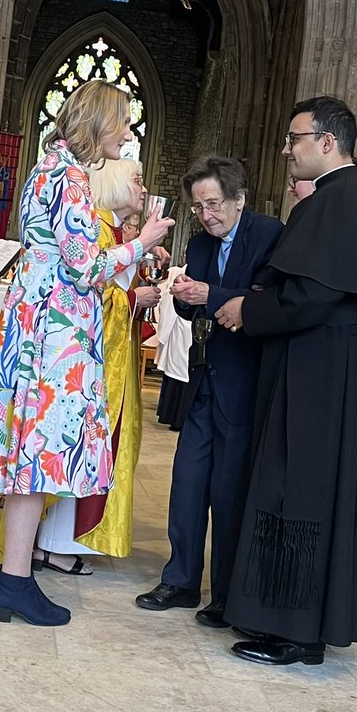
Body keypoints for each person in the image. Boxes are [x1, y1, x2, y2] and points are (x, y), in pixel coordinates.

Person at [0, 81, 173, 627]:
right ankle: (13, 582)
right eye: (123, 122)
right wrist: (142, 241)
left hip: (38, 322)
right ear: (97, 122)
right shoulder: (70, 179)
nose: (127, 134)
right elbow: (84, 266)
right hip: (54, 336)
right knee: (37, 452)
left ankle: (16, 578)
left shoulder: (45, 169)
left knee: (30, 452)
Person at [214, 97, 357, 665]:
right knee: (289, 485)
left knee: (302, 491)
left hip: (317, 372)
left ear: (327, 141)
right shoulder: (339, 199)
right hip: (315, 364)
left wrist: (249, 310)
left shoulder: (342, 201)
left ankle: (298, 633)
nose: (288, 150)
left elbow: (311, 296)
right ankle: (280, 618)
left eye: (295, 139)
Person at [136, 155, 282, 629]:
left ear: (239, 200)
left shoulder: (268, 236)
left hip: (244, 383)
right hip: (202, 381)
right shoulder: (198, 245)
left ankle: (223, 595)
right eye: (198, 207)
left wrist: (210, 296)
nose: (206, 215)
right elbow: (188, 314)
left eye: (214, 204)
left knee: (230, 491)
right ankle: (179, 581)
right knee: (188, 485)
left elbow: (267, 305)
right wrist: (181, 299)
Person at [35, 158, 159, 569]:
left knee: (97, 449)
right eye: (136, 180)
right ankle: (52, 543)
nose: (142, 188)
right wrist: (130, 298)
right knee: (75, 445)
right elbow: (87, 292)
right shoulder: (99, 229)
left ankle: (69, 541)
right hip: (90, 363)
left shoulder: (116, 231)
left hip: (113, 361)